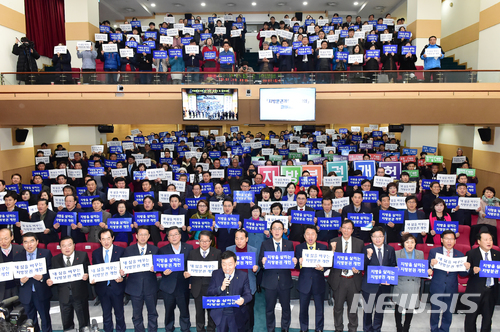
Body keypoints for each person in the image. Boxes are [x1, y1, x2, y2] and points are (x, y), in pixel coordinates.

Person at [258, 220, 297, 332]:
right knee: (269, 309)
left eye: (279, 228)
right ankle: (271, 329)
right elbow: (260, 262)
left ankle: (285, 328)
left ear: (283, 230)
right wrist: (263, 261)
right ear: (270, 231)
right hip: (270, 282)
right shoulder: (265, 244)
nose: (277, 231)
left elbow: (291, 262)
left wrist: (294, 261)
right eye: (274, 228)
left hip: (285, 281)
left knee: (286, 308)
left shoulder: (288, 244)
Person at [428, 230, 470, 332]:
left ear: (455, 241)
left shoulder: (460, 255)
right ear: (442, 240)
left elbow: (463, 274)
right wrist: (431, 265)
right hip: (437, 286)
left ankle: (444, 329)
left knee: (448, 312)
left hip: (452, 286)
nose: (449, 241)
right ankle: (434, 329)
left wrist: (467, 268)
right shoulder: (434, 252)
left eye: (452, 239)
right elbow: (428, 270)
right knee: (435, 311)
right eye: (447, 238)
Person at [46, 236, 90, 331]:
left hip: (80, 295)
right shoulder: (55, 259)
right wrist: (50, 281)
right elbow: (53, 276)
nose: (67, 248)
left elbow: (89, 271)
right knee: (67, 324)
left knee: (84, 323)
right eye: (64, 246)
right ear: (60, 247)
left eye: (69, 245)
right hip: (64, 296)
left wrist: (87, 276)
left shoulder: (83, 255)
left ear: (74, 245)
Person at [328, 219, 363, 332]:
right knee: (338, 308)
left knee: (353, 308)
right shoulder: (333, 241)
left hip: (354, 280)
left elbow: (362, 263)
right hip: (339, 279)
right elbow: (329, 262)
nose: (346, 230)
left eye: (349, 228)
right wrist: (332, 251)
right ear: (341, 229)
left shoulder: (359, 243)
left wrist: (358, 269)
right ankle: (338, 328)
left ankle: (353, 328)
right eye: (344, 227)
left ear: (352, 230)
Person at [122, 226, 159, 332]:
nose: (143, 237)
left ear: (149, 236)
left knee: (152, 313)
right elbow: (124, 268)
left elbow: (159, 266)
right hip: (134, 287)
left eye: (145, 235)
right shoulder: (128, 250)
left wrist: (155, 269)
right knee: (137, 315)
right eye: (141, 234)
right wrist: (123, 273)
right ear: (136, 236)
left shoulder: (155, 249)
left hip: (150, 286)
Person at [13, 233, 52, 332]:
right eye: (25, 242)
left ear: (37, 242)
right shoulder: (18, 256)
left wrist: (43, 277)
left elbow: (51, 270)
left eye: (31, 241)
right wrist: (20, 281)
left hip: (41, 292)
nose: (29, 244)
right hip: (26, 293)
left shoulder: (45, 253)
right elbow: (14, 276)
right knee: (30, 320)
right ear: (22, 244)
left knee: (45, 319)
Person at [206, 250, 253, 332]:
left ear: (235, 263)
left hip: (237, 313)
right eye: (224, 264)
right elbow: (209, 292)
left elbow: (248, 295)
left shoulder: (243, 276)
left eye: (230, 264)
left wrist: (243, 300)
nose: (227, 267)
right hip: (221, 313)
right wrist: (221, 288)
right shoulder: (216, 274)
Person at [184, 230, 221, 332]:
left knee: (211, 313)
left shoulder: (217, 253)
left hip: (212, 288)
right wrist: (188, 276)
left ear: (211, 241)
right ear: (198, 241)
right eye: (202, 241)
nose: (204, 243)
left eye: (206, 241)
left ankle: (211, 330)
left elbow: (220, 272)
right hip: (197, 288)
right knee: (199, 313)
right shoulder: (192, 253)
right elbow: (188, 269)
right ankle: (200, 330)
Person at [361, 226, 397, 332]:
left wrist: (392, 275)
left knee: (380, 310)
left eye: (380, 236)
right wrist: (368, 256)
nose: (378, 239)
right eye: (375, 236)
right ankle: (367, 329)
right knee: (368, 310)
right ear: (371, 237)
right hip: (369, 286)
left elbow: (392, 264)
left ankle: (377, 329)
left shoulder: (390, 249)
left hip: (384, 286)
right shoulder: (366, 248)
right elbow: (362, 267)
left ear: (384, 237)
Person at [91, 228, 126, 332]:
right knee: (106, 315)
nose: (106, 242)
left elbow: (124, 269)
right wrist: (93, 279)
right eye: (103, 239)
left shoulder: (121, 251)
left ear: (113, 238)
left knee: (119, 314)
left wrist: (122, 277)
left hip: (117, 287)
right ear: (99, 240)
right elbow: (95, 270)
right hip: (102, 289)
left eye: (108, 238)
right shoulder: (95, 253)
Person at [158, 226, 193, 332]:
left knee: (184, 311)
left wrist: (190, 280)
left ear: (180, 235)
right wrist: (163, 271)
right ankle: (169, 328)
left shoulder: (189, 248)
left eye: (176, 234)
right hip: (168, 286)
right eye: (171, 235)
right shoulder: (162, 250)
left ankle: (185, 328)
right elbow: (159, 266)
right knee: (168, 311)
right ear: (167, 238)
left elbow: (191, 265)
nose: (174, 237)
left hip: (183, 285)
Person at [464, 231, 499, 331]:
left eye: (491, 240)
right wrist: (472, 270)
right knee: (471, 318)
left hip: (491, 291)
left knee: (487, 319)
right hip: (475, 291)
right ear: (478, 241)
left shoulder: (497, 254)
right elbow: (466, 271)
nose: (489, 242)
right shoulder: (471, 253)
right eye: (486, 240)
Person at [295, 225, 328, 332]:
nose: (310, 236)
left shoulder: (323, 247)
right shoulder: (299, 248)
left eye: (312, 234)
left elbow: (328, 263)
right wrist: (298, 263)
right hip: (304, 283)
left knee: (319, 309)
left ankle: (319, 329)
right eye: (307, 234)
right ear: (304, 236)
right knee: (303, 309)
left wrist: (323, 268)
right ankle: (304, 329)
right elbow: (296, 266)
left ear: (316, 236)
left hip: (318, 283)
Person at [226, 228, 259, 332]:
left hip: (249, 285)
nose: (239, 241)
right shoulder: (229, 250)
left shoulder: (253, 250)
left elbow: (258, 268)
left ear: (247, 239)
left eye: (241, 238)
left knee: (248, 312)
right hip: (233, 285)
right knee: (234, 312)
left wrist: (256, 268)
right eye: (237, 238)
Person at [392, 234, 426, 332]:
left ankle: (406, 327)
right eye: (407, 242)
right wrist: (394, 269)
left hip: (414, 284)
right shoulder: (397, 253)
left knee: (410, 308)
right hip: (401, 284)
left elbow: (421, 269)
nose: (410, 244)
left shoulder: (420, 253)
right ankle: (398, 326)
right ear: (403, 243)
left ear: (415, 243)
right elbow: (391, 269)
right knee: (399, 307)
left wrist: (426, 270)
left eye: (412, 242)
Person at [0, 229, 22, 301]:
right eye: (0, 239)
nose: (3, 242)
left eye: (6, 238)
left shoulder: (21, 249)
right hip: (2, 288)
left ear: (12, 237)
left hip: (18, 287)